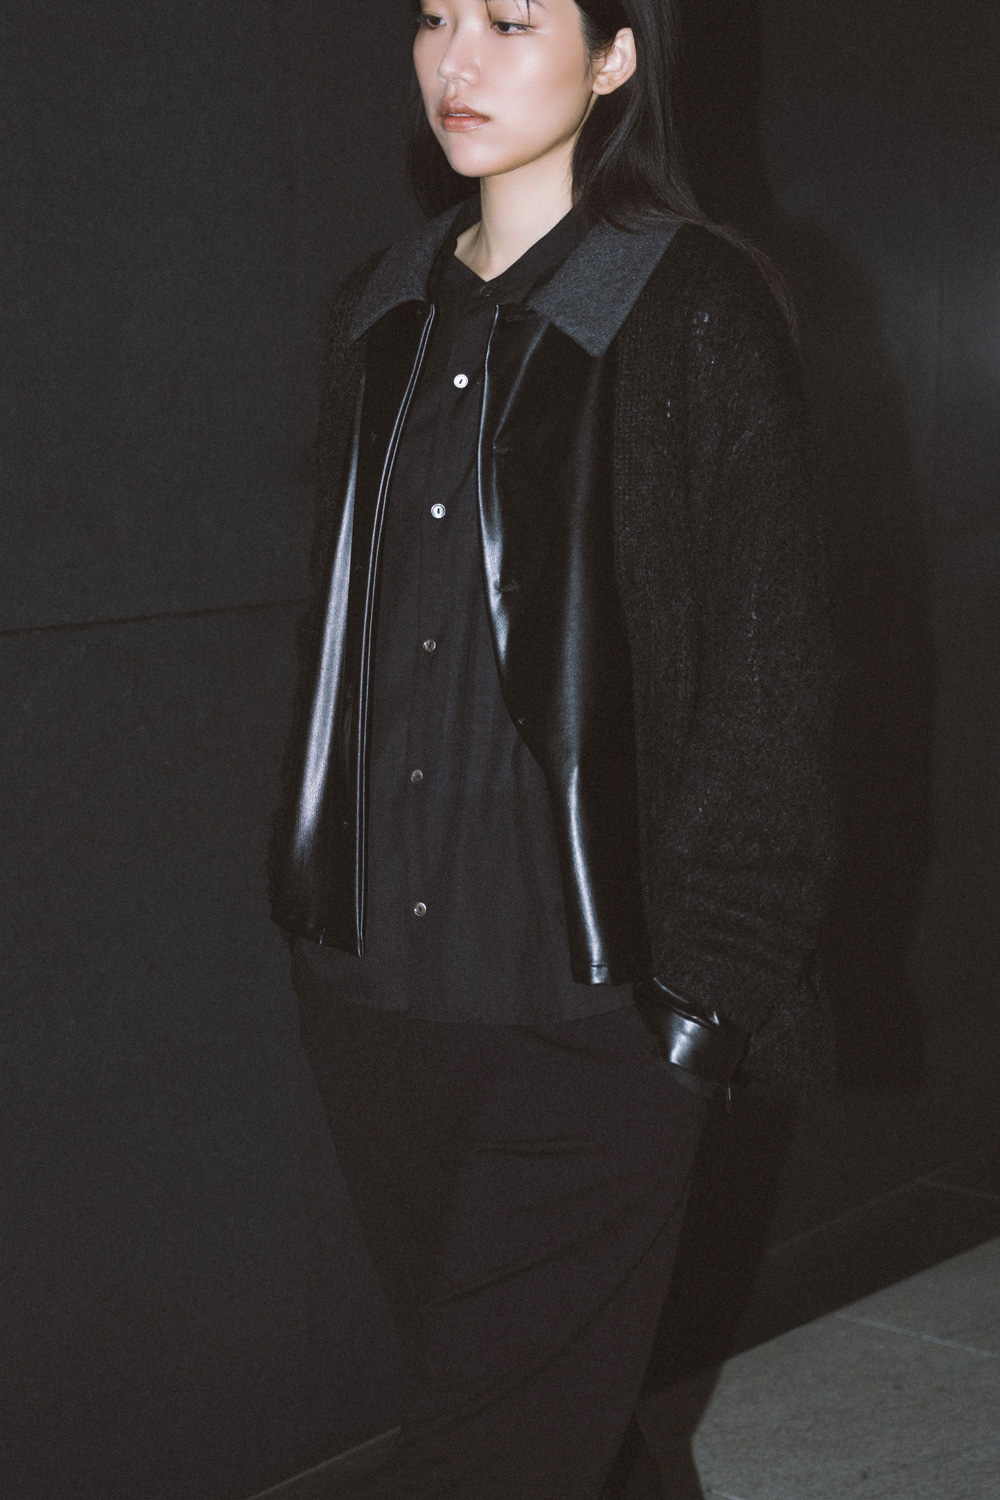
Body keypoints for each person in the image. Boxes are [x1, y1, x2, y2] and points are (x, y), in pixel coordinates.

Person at [268, 0, 834, 1495]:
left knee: (490, 1450)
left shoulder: (691, 304)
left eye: (513, 20)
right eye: (435, 16)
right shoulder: (378, 308)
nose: (455, 60)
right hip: (376, 996)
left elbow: (768, 667)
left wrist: (705, 996)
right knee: (548, 1420)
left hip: (597, 1001)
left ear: (617, 56)